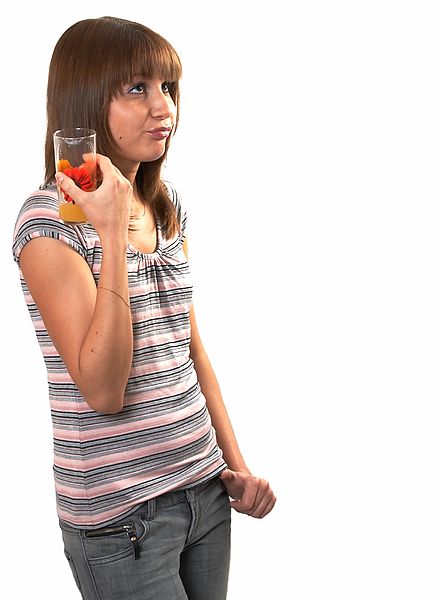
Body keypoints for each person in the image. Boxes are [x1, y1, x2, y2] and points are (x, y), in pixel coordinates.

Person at [11, 16, 275, 600]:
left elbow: (190, 348)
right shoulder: (47, 225)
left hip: (204, 492)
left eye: (168, 89)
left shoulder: (165, 205)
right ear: (83, 100)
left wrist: (237, 466)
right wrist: (108, 231)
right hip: (123, 519)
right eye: (137, 88)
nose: (164, 108)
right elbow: (103, 389)